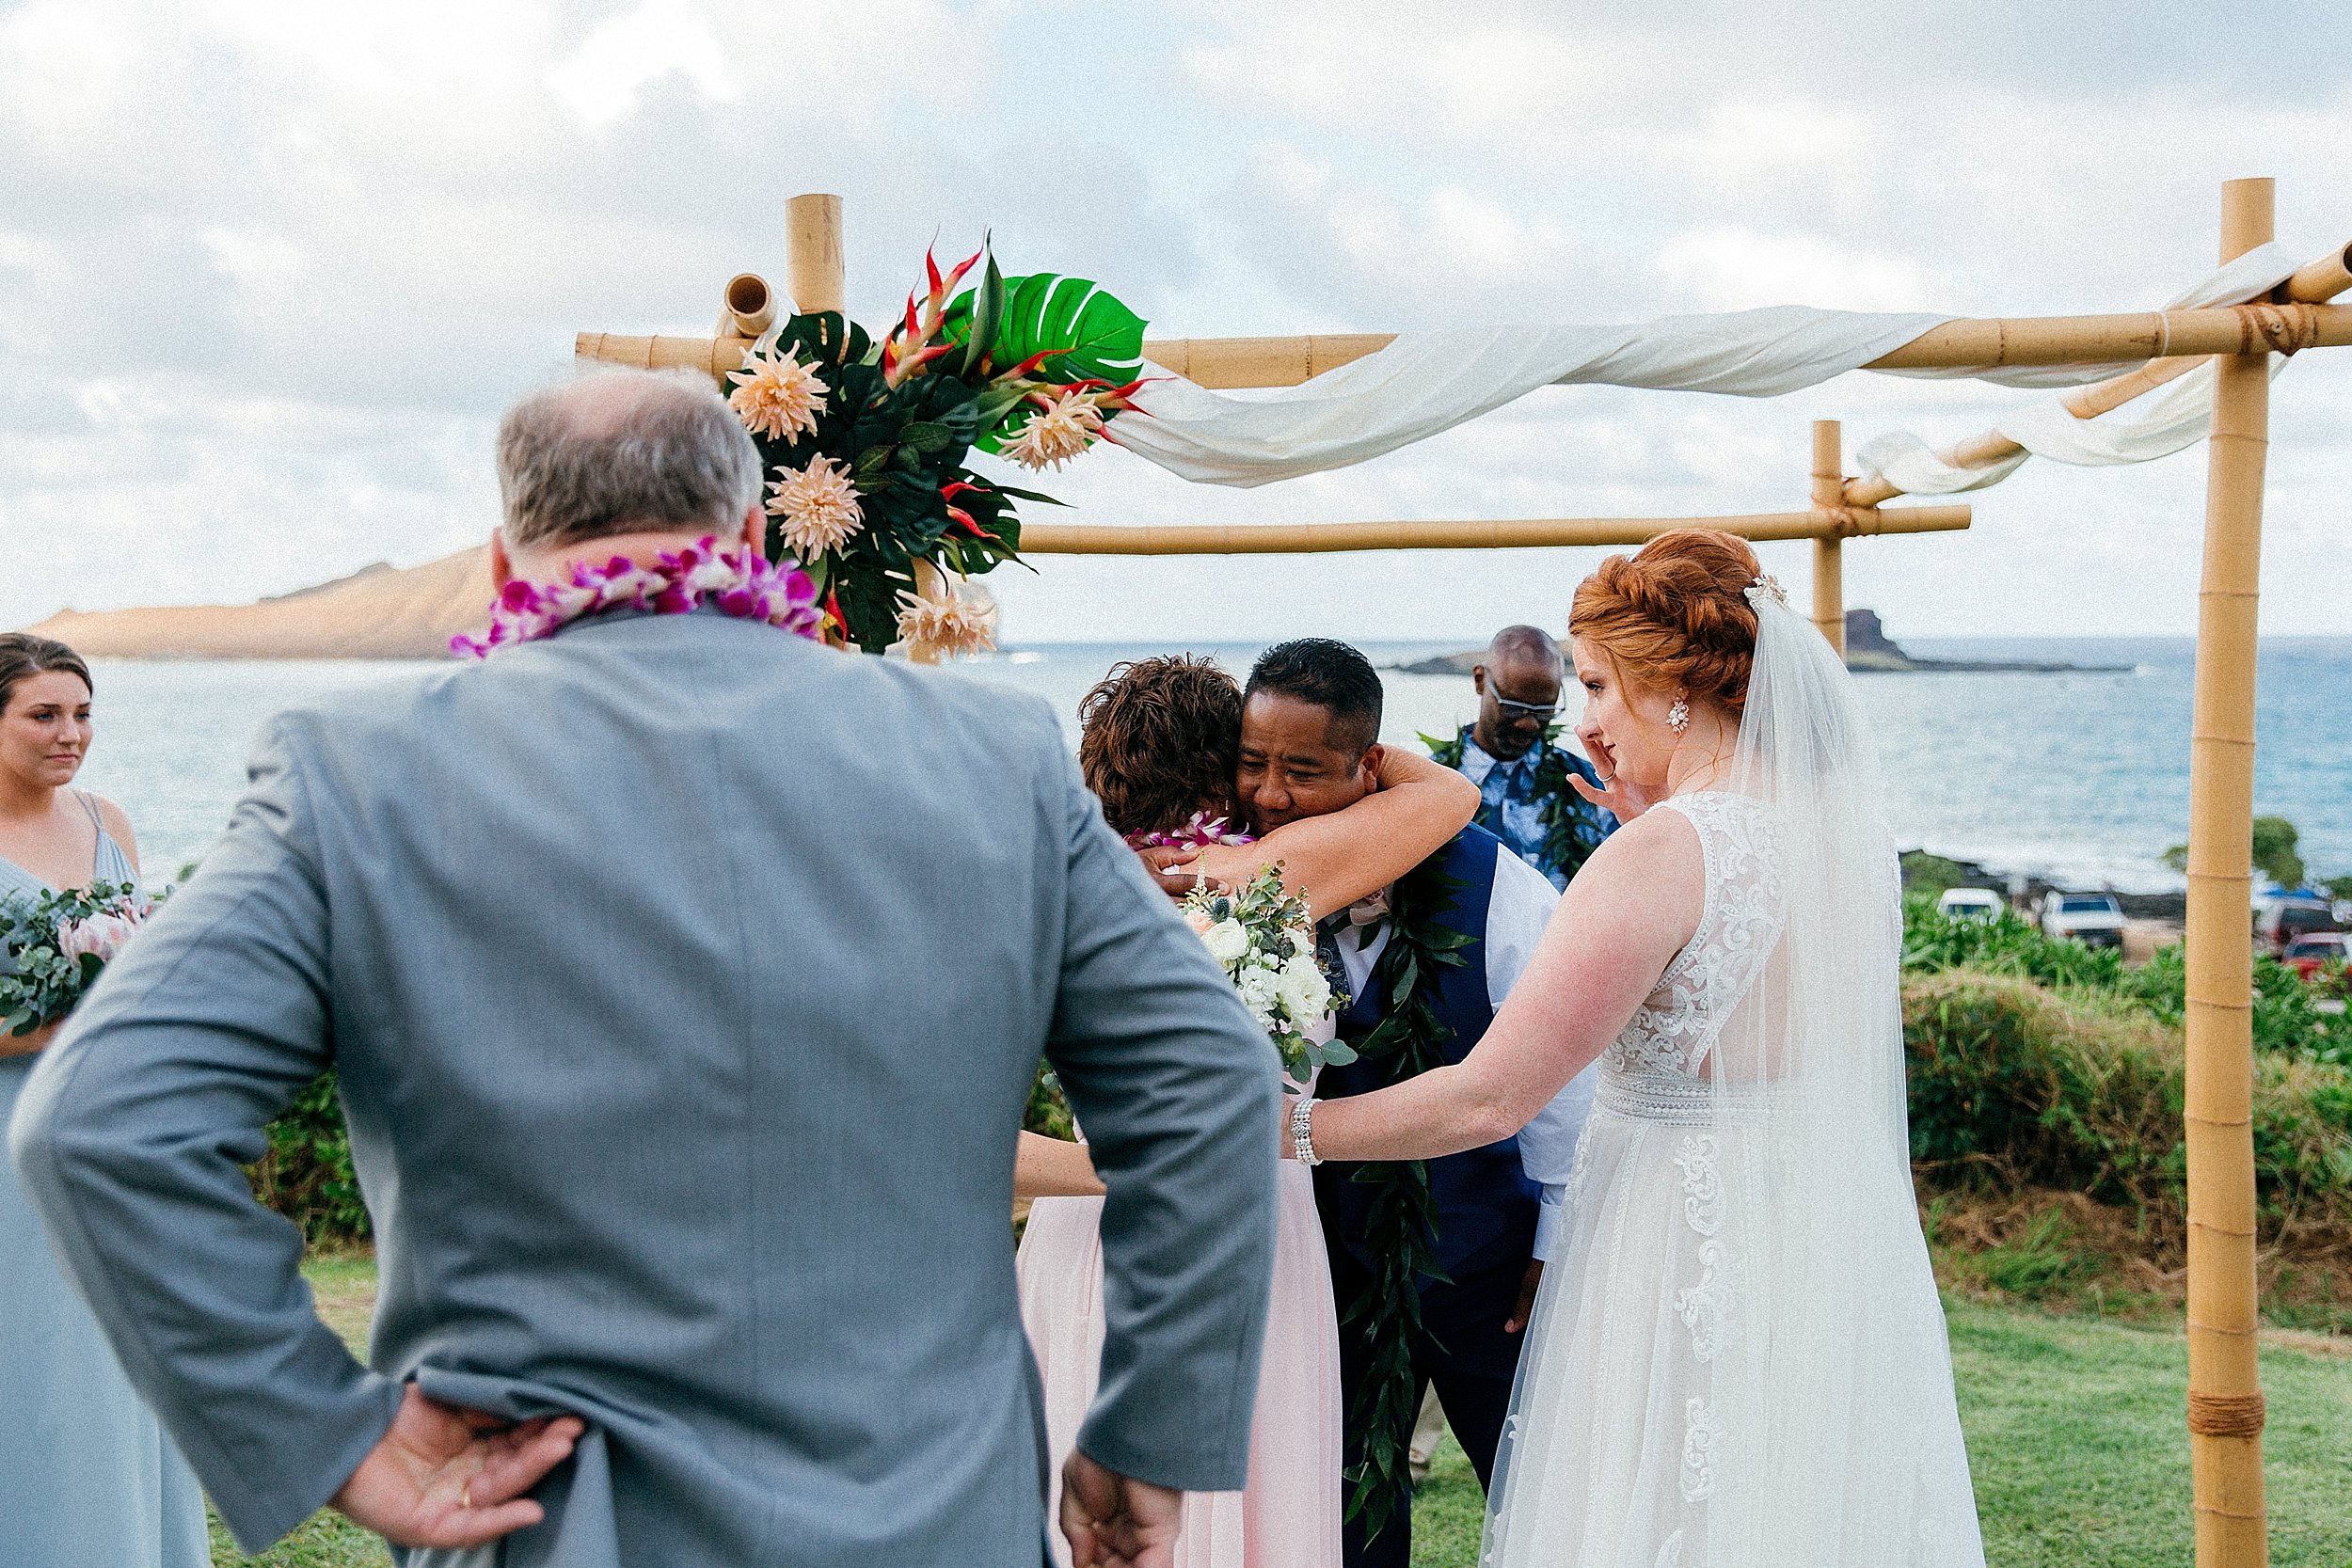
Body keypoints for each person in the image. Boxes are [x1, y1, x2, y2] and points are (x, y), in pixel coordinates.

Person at [9, 369, 1285, 1568]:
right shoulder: (991, 756)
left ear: (505, 559)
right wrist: (1150, 1428)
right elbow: (1215, 1083)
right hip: (935, 1507)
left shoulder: (354, 774)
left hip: (557, 1519)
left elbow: (105, 1122)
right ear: (746, 528)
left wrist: (332, 1430)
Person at [1290, 531, 1985, 1567]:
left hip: (1671, 1238)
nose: (1587, 721)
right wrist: (1659, 812)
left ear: (1674, 689)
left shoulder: (1660, 854)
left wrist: (1289, 1124)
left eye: (1600, 685)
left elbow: (1486, 1100)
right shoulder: (1844, 841)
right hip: (1810, 1233)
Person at [1016, 654, 1481, 1568]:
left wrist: (1103, 1167)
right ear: (1224, 769)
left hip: (1085, 1238)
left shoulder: (1059, 899)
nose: (1269, 787)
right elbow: (1451, 791)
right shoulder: (1272, 878)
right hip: (1251, 1240)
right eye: (1251, 762)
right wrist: (1339, 762)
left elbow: (967, 1141)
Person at [1233, 639, 1596, 1568]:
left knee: (1544, 1495)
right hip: (1325, 1277)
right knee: (1345, 1515)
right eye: (1252, 761)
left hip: (1489, 1269)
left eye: (1302, 769)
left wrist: (1556, 1241)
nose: (1269, 793)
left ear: (1368, 766)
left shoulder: (1497, 884)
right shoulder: (1245, 889)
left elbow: (1566, 1083)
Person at [0, 634, 211, 1568]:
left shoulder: (107, 820)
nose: (71, 733)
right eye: (44, 713)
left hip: (114, 1135)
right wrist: (47, 1027)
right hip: (11, 1140)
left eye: (82, 712)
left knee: (122, 1353)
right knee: (38, 1360)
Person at [1423, 626, 1614, 893]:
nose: (1528, 724)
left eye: (1544, 710)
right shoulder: (1429, 785)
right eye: (1514, 707)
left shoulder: (1588, 786)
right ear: (1480, 681)